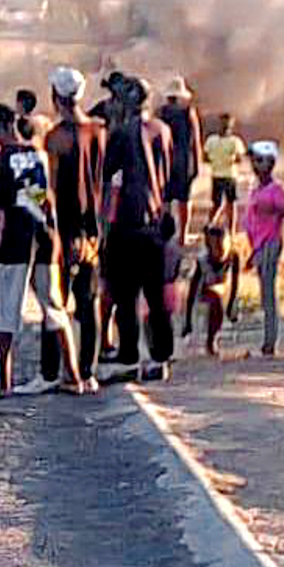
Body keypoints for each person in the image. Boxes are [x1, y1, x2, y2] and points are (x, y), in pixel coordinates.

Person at [0, 104, 84, 398]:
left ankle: (4, 382)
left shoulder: (0, 160)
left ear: (0, 129)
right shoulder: (37, 152)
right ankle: (73, 376)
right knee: (54, 306)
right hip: (44, 236)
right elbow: (44, 198)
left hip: (16, 237)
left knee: (7, 311)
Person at [97, 74, 178, 383]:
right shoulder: (163, 130)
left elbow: (106, 172)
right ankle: (161, 358)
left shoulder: (122, 133)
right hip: (158, 225)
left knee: (126, 296)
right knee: (157, 298)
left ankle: (129, 358)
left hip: (128, 224)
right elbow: (170, 174)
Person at [42, 67, 107, 388]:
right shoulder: (98, 131)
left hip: (64, 233)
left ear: (56, 96)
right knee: (88, 303)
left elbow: (49, 190)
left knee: (55, 303)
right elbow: (104, 183)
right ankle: (88, 371)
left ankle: (53, 372)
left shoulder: (55, 138)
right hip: (93, 233)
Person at [241, 142, 284, 358]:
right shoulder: (257, 190)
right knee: (265, 294)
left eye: (259, 161)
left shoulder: (275, 191)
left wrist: (277, 210)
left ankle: (270, 341)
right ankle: (268, 339)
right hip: (260, 245)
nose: (255, 165)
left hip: (270, 243)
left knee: (268, 294)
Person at [183, 225, 241, 356]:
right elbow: (192, 290)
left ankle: (213, 336)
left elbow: (235, 283)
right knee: (215, 300)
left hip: (221, 288)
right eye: (216, 247)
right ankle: (210, 340)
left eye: (222, 246)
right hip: (204, 290)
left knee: (218, 301)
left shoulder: (233, 256)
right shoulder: (202, 260)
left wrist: (232, 304)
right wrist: (187, 321)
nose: (219, 251)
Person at [157, 77, 202, 239]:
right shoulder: (188, 113)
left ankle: (164, 233)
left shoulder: (161, 113)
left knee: (165, 200)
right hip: (184, 162)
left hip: (165, 162)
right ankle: (183, 235)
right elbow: (195, 141)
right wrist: (198, 164)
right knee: (184, 199)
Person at [203, 113, 248, 233]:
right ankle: (220, 228)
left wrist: (217, 159)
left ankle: (220, 228)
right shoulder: (231, 141)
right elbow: (239, 159)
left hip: (224, 175)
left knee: (224, 204)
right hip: (225, 175)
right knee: (226, 204)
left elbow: (205, 158)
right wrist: (227, 159)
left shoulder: (230, 141)